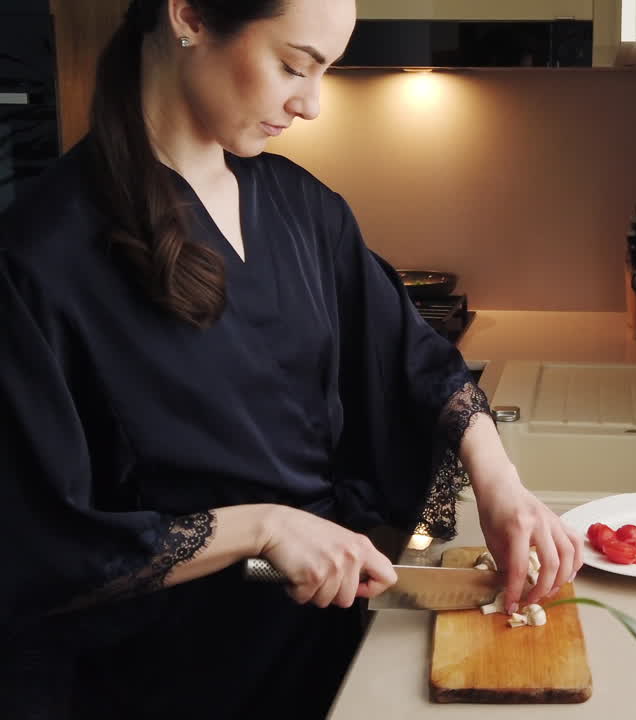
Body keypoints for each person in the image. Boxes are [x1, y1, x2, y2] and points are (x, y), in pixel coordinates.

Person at [0, 0, 583, 717]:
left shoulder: (303, 209)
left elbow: (415, 361)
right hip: (159, 681)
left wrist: (501, 484)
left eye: (325, 71)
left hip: (322, 650)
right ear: (187, 15)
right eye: (293, 65)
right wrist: (265, 527)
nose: (310, 105)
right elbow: (41, 546)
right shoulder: (38, 256)